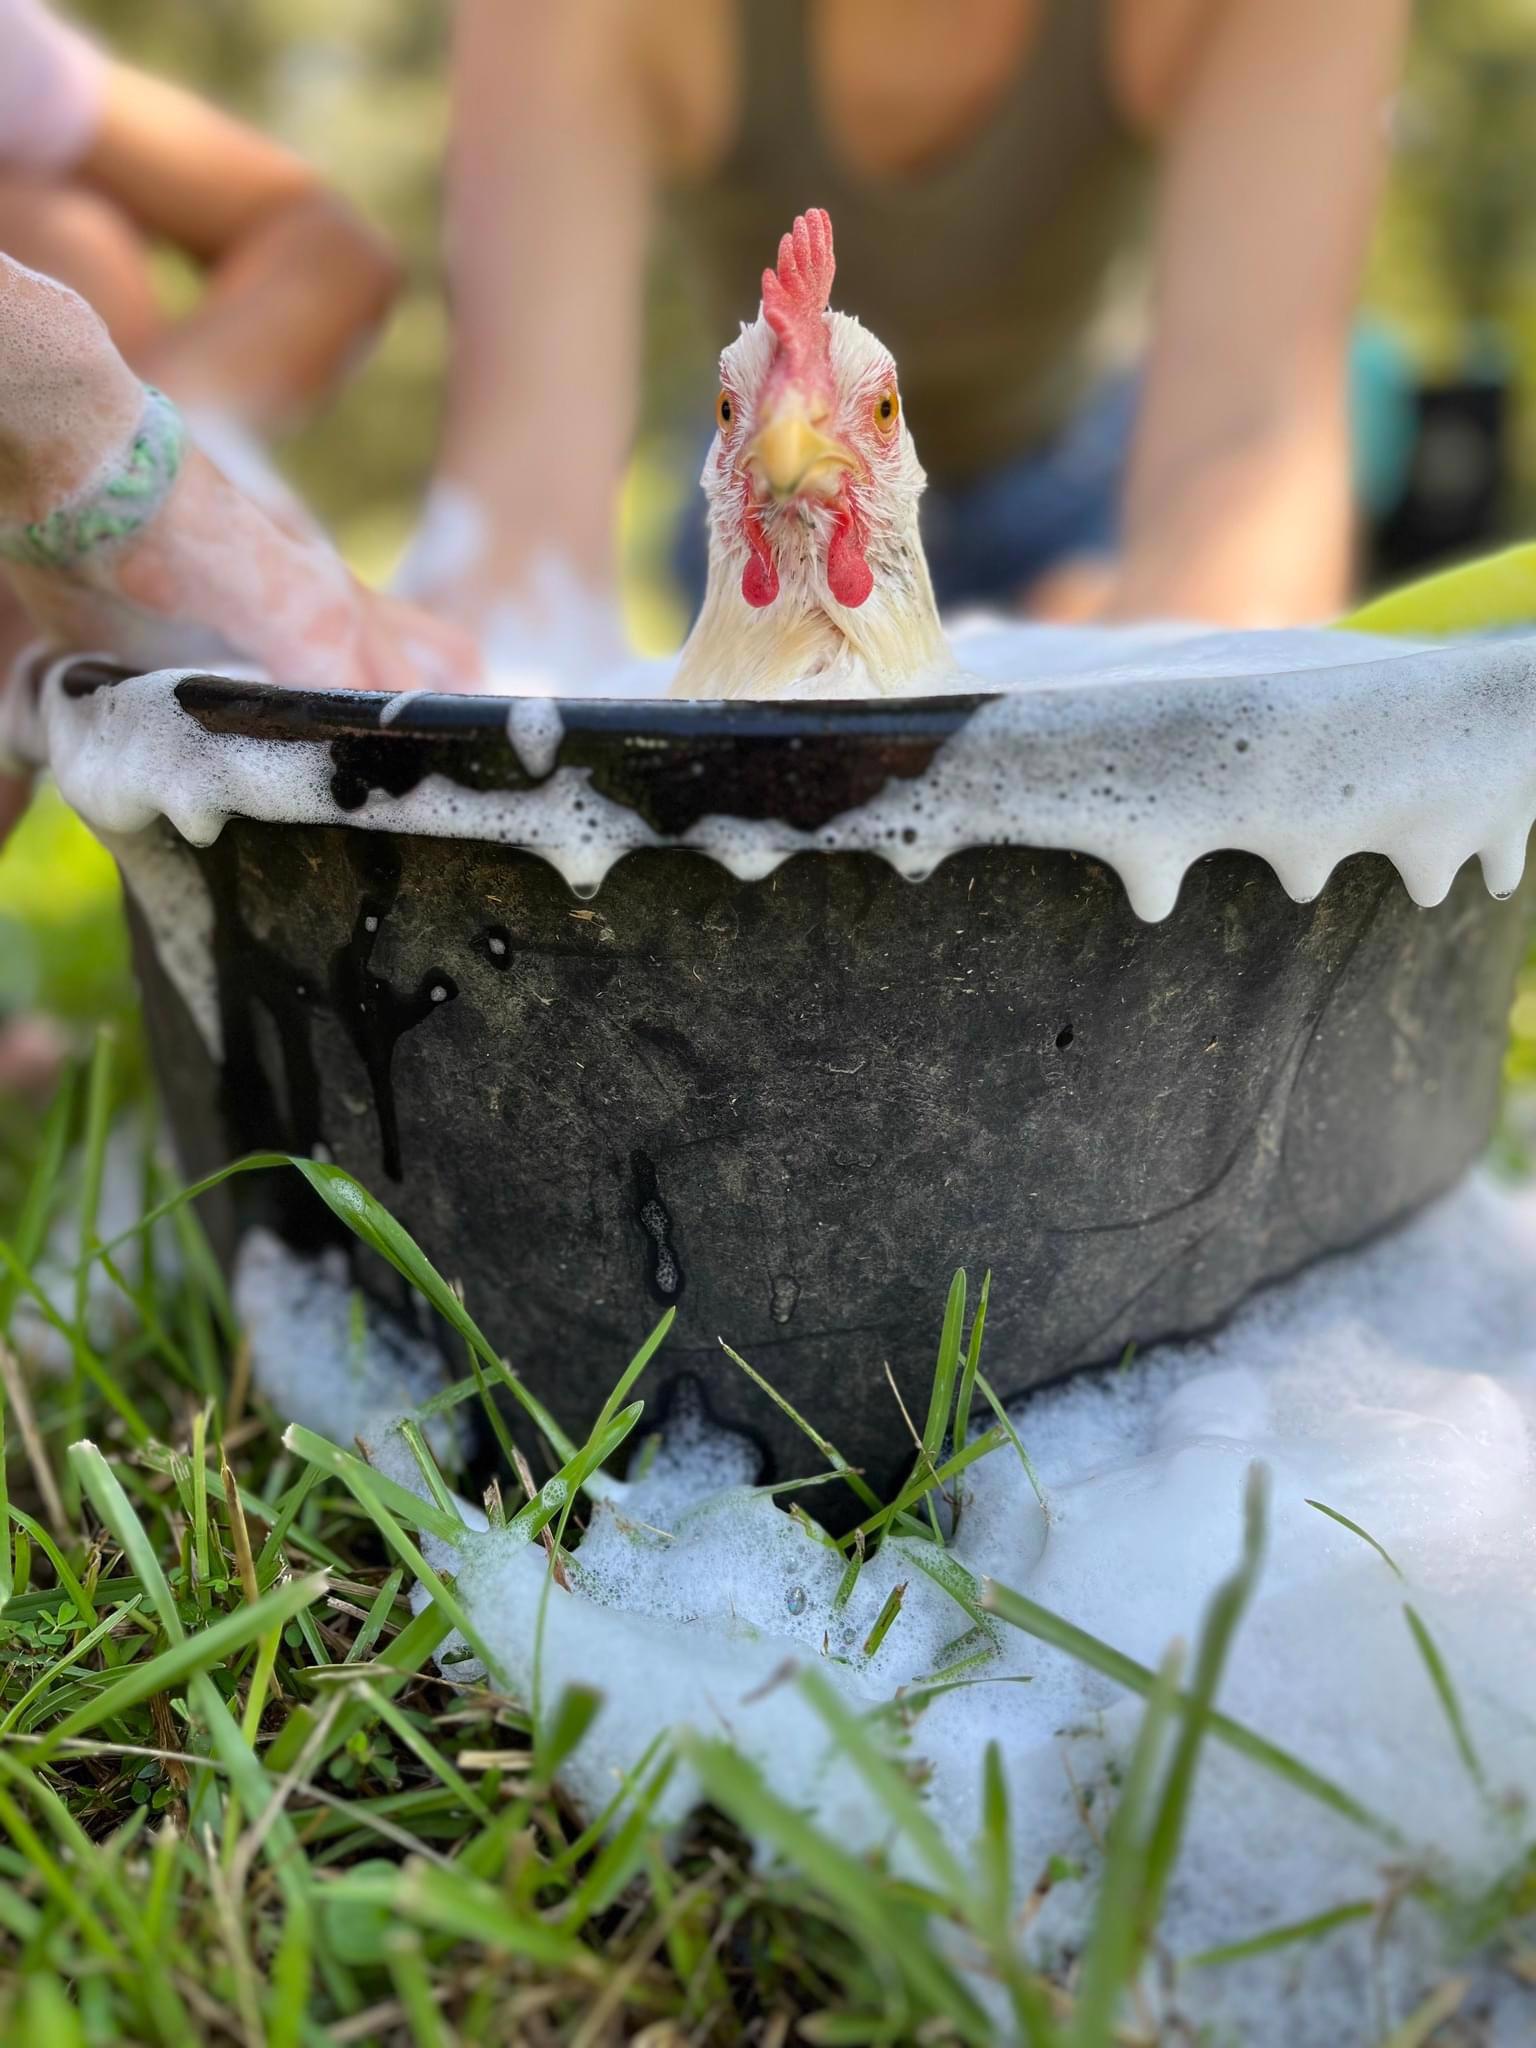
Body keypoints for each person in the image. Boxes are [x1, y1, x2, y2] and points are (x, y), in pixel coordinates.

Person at [413, 0, 1408, 638]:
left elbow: (1249, 457)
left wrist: (1169, 648)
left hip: (1079, 479)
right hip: (766, 495)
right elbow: (515, 522)